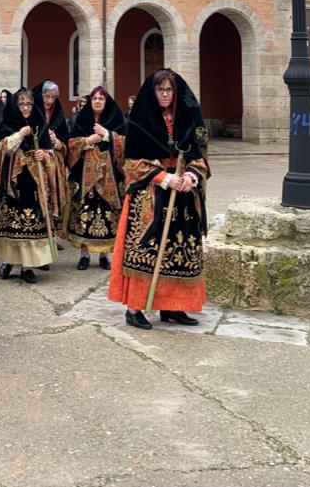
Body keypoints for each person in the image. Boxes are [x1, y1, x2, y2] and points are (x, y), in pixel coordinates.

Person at [108, 69, 209, 331]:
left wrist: (190, 176)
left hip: (182, 198)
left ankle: (172, 306)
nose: (164, 94)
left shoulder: (186, 119)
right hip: (150, 197)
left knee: (179, 251)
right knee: (147, 253)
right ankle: (134, 308)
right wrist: (165, 177)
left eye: (169, 90)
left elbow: (199, 157)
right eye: (160, 90)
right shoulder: (139, 120)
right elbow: (132, 164)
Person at [0, 89, 58, 283]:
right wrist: (20, 134)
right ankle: (8, 261)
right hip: (13, 183)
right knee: (12, 225)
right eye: (21, 104)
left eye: (29, 104)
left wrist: (43, 155)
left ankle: (27, 267)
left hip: (34, 182)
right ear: (15, 106)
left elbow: (50, 153)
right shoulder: (7, 123)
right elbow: (2, 148)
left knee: (30, 225)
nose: (25, 108)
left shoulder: (40, 124)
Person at [65, 86, 126, 271]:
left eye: (101, 98)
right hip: (85, 175)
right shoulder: (82, 119)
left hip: (109, 176)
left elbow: (126, 142)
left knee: (107, 214)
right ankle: (84, 255)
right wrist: (87, 141)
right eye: (94, 98)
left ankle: (104, 255)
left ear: (106, 101)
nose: (98, 101)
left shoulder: (116, 118)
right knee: (85, 213)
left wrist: (108, 135)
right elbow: (71, 144)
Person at [33, 80, 70, 243]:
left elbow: (67, 143)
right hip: (36, 163)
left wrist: (56, 142)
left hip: (54, 167)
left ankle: (52, 236)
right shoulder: (32, 112)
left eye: (53, 97)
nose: (49, 101)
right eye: (46, 96)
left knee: (53, 200)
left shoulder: (58, 114)